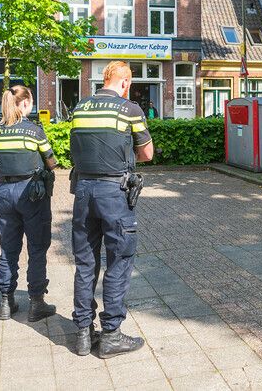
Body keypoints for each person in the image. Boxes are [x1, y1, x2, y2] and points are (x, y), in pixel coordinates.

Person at [69, 60, 154, 359]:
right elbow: (147, 152)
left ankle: (82, 334)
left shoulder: (79, 108)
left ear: (103, 79)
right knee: (119, 259)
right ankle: (111, 335)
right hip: (114, 194)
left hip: (83, 192)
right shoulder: (130, 109)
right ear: (126, 83)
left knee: (85, 263)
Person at [0, 85, 57, 322]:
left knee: (8, 248)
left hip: (4, 193)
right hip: (31, 194)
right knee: (37, 248)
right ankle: (36, 302)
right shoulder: (33, 131)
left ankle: (6, 302)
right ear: (26, 103)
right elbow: (51, 162)